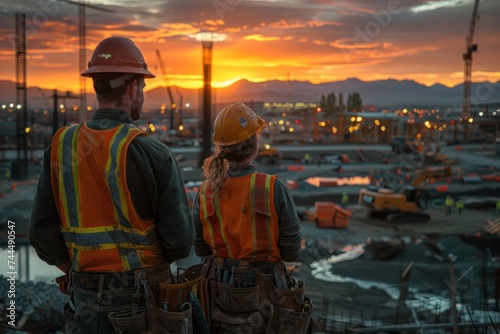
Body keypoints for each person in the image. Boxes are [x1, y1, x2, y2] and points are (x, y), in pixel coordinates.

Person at [29, 36, 194, 333]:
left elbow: (41, 234)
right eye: (142, 87)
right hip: (143, 306)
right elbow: (180, 243)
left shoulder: (61, 147)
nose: (141, 94)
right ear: (131, 87)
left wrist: (81, 273)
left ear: (97, 86)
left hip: (84, 304)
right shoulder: (153, 154)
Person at [192, 102, 312, 333]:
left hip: (217, 289)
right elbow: (292, 252)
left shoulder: (206, 190)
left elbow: (200, 248)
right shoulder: (272, 187)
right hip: (267, 291)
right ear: (254, 145)